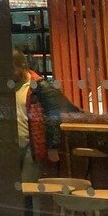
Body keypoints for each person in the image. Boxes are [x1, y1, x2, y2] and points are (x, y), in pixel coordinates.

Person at [14, 49, 80, 181]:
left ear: (22, 66)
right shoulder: (5, 86)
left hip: (31, 145)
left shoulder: (40, 86)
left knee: (28, 186)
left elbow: (53, 116)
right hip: (10, 145)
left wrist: (52, 146)